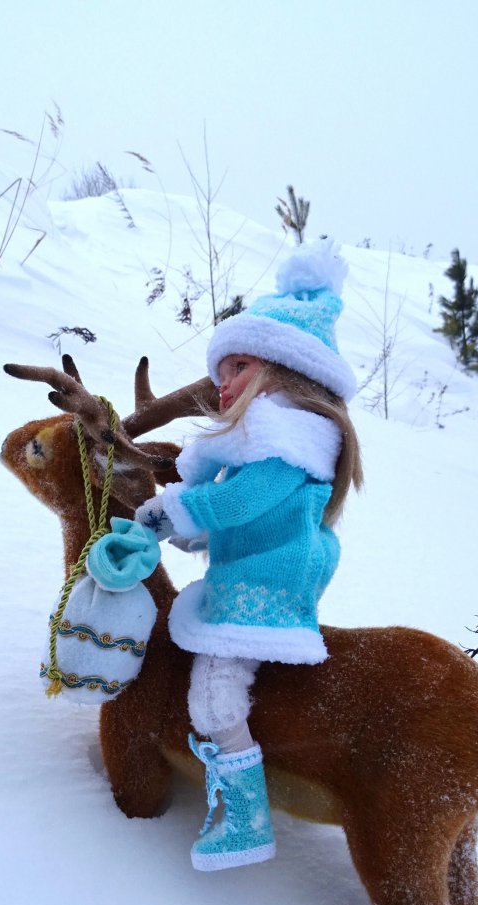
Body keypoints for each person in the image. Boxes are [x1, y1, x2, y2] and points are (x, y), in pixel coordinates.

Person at [135, 238, 363, 872]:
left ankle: (246, 821)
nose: (223, 384)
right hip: (258, 568)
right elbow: (237, 520)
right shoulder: (281, 440)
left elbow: (238, 507)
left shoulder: (287, 435)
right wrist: (187, 531)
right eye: (221, 370)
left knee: (213, 700)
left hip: (265, 587)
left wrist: (166, 514)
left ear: (280, 368)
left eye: (237, 368)